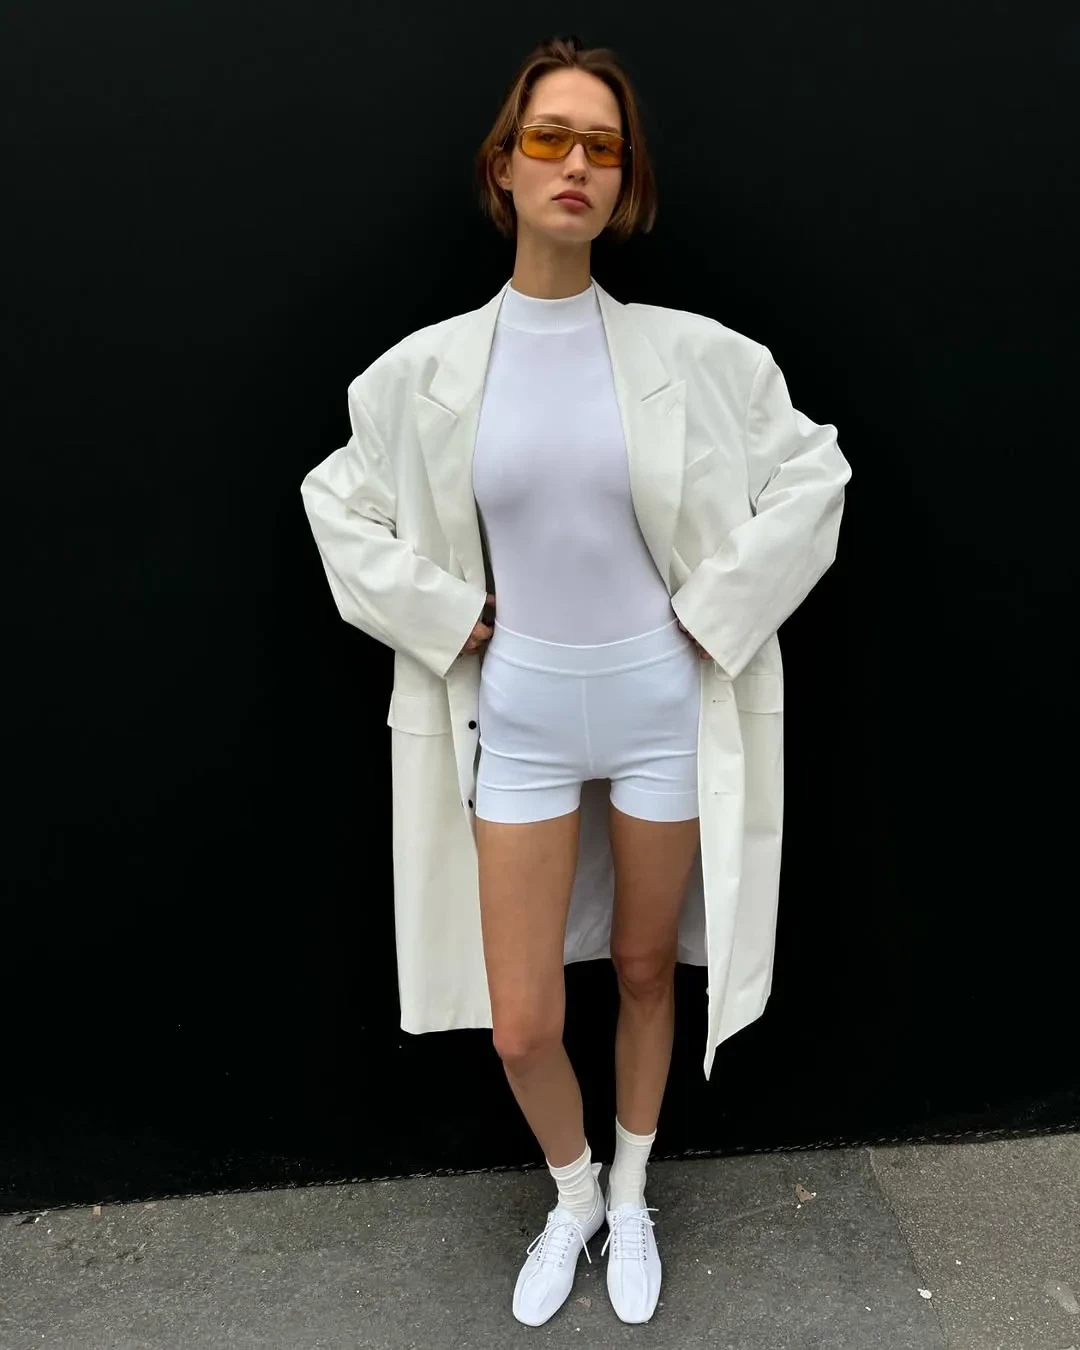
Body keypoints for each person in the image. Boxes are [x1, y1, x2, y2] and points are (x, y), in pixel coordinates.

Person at [301, 33, 850, 1330]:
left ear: (625, 180)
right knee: (520, 1019)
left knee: (650, 968)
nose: (576, 164)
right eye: (549, 137)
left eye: (603, 145)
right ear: (503, 166)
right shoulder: (428, 372)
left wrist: (716, 609)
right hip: (522, 714)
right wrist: (444, 614)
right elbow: (337, 502)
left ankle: (638, 1187)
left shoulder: (695, 356)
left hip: (662, 704)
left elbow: (816, 471)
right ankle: (576, 1191)